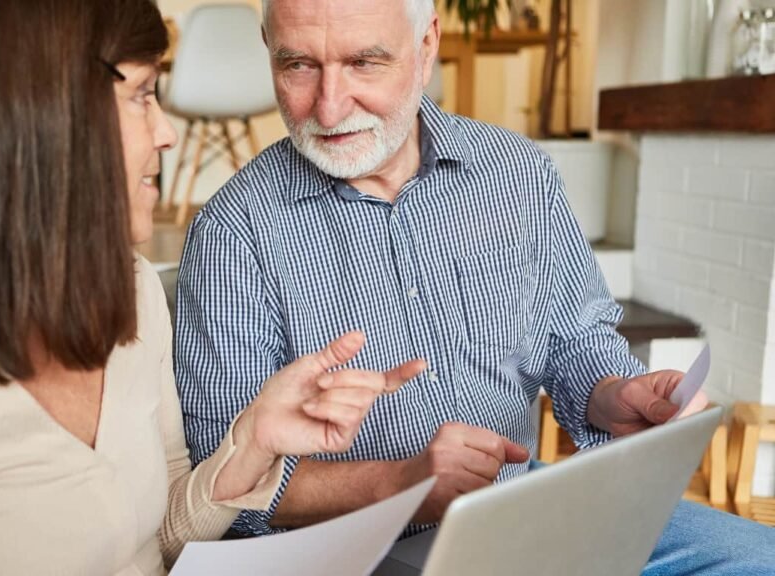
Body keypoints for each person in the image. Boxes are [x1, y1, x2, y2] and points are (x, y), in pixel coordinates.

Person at [0, 1, 426, 574]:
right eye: (140, 95)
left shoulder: (128, 291)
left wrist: (253, 440)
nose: (166, 133)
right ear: (40, 115)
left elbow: (152, 535)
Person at [174, 0, 775, 572]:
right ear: (269, 50)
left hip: (523, 506)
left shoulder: (517, 173)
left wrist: (613, 393)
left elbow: (573, 339)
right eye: (298, 65)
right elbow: (225, 483)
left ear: (427, 43)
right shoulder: (233, 233)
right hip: (352, 548)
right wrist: (401, 484)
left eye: (364, 62)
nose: (329, 109)